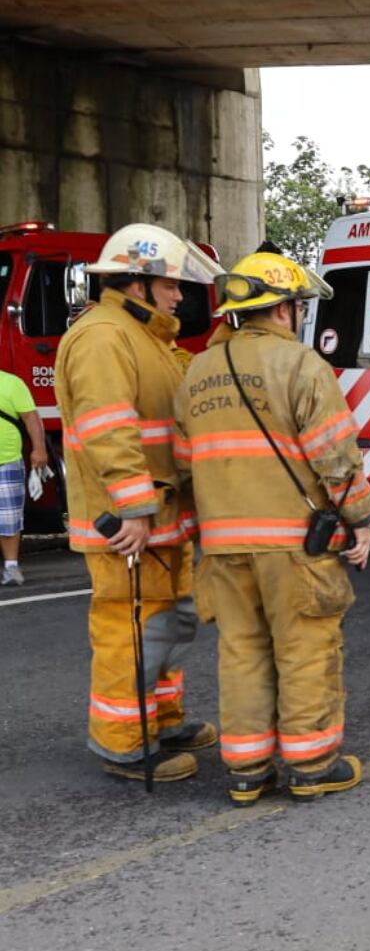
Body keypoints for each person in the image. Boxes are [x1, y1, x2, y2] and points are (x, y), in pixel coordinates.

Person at [173, 251, 370, 804]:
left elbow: (184, 463)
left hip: (221, 546)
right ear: (285, 309)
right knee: (305, 649)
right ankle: (310, 766)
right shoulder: (302, 365)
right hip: (293, 546)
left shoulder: (196, 372)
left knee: (240, 653)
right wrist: (361, 519)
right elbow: (334, 457)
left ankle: (246, 771)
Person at [56, 223, 219, 782]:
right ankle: (124, 741)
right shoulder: (104, 337)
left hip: (161, 516)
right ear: (138, 283)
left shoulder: (146, 338)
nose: (179, 296)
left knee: (168, 623)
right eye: (170, 285)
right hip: (131, 523)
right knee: (131, 628)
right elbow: (109, 430)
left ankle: (162, 718)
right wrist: (135, 508)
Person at [0, 368, 49, 585]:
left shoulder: (12, 383)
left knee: (9, 519)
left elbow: (31, 417)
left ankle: (11, 567)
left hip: (7, 460)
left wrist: (39, 449)